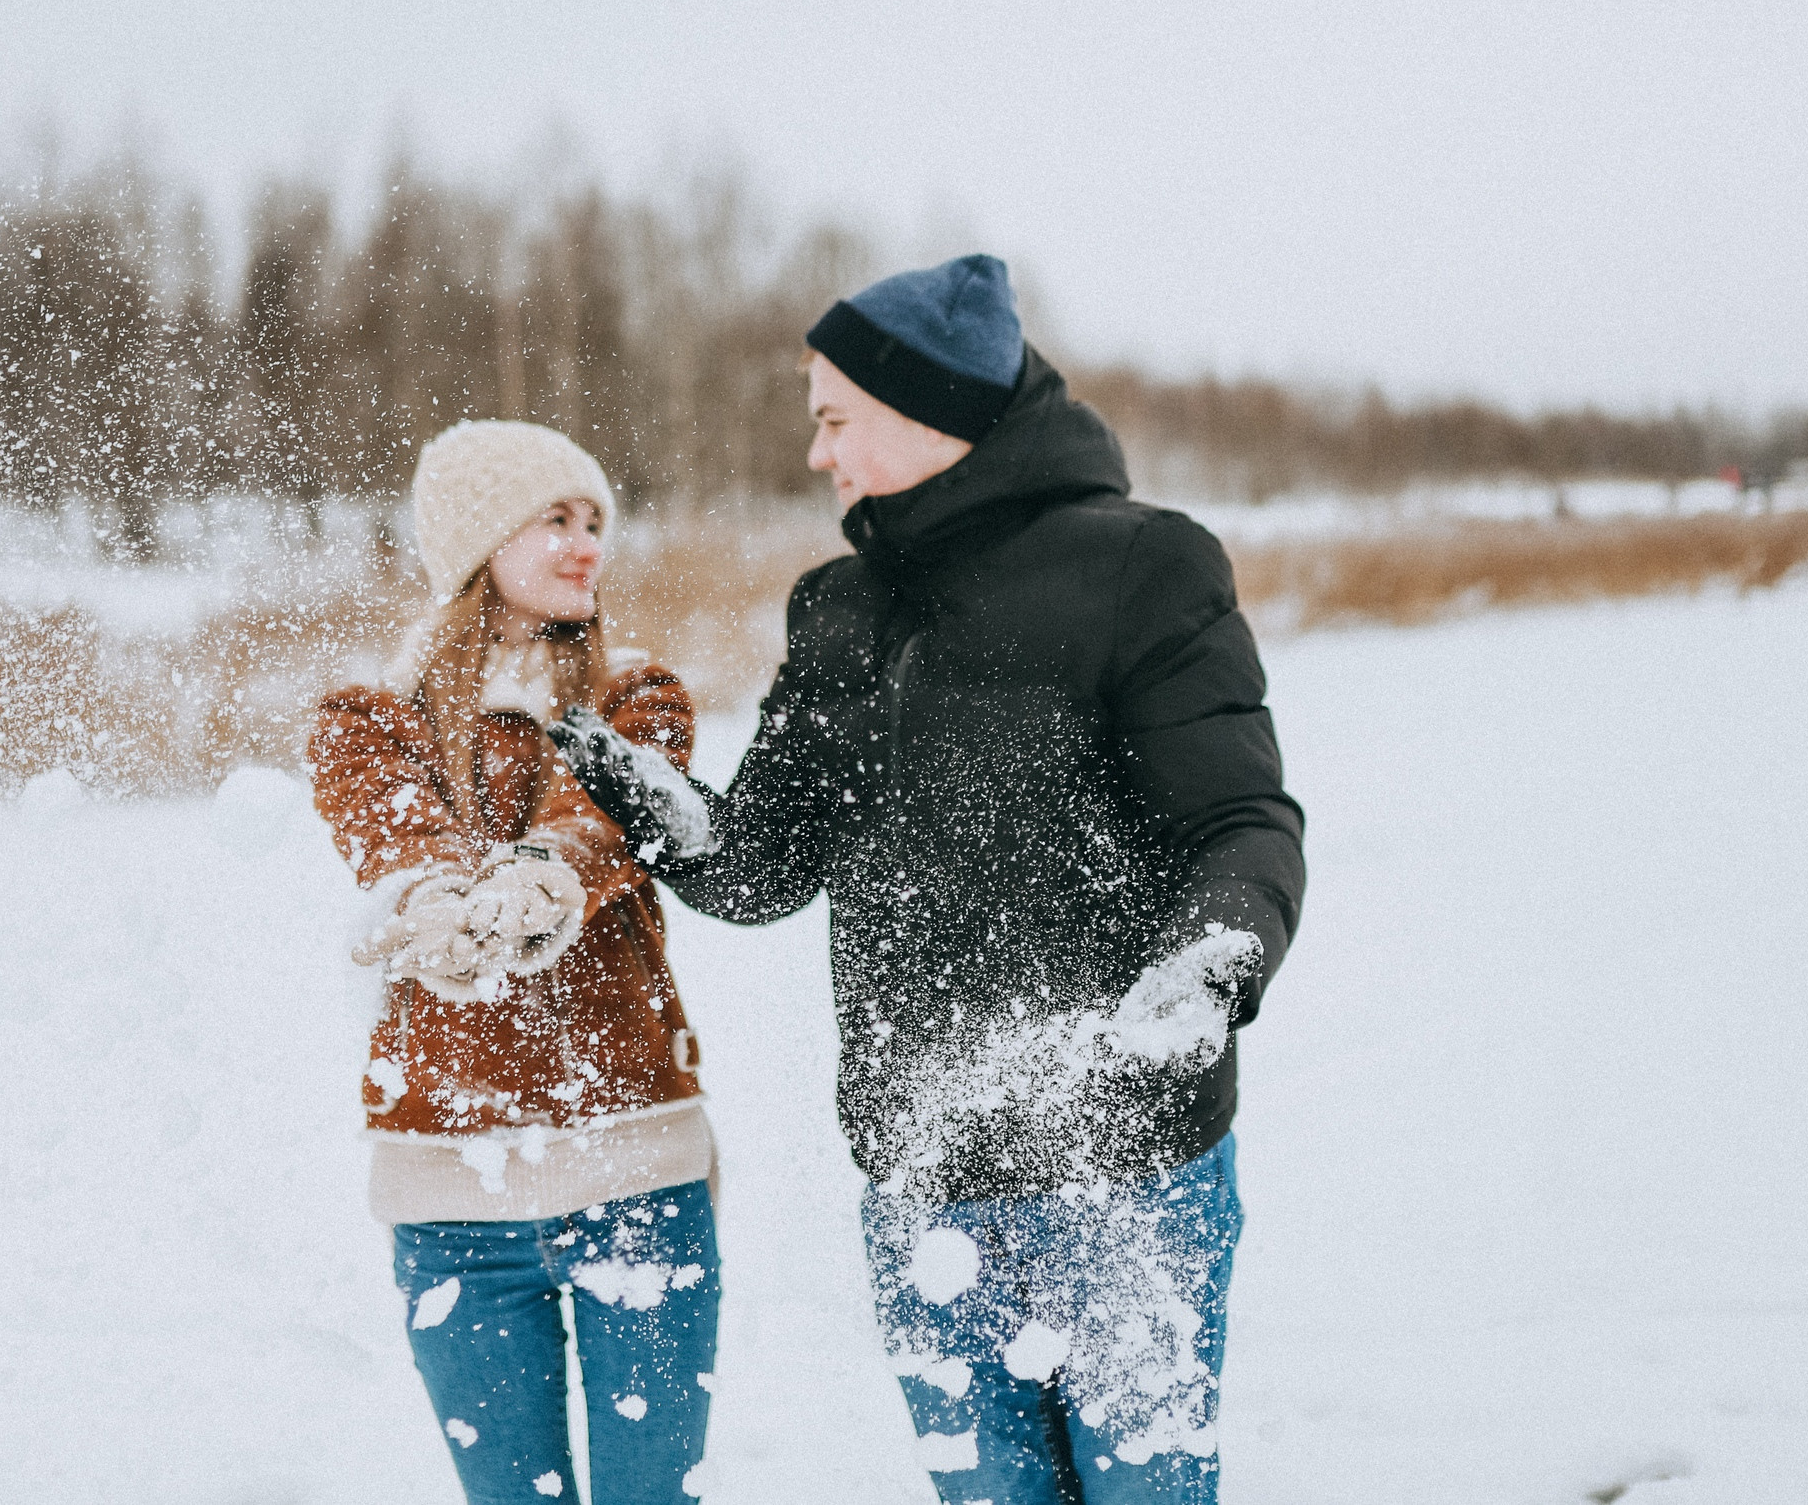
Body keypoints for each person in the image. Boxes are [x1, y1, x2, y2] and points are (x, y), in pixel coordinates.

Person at [550, 255, 1305, 1503]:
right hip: (923, 1176)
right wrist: (645, 793)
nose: (816, 455)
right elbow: (762, 865)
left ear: (935, 413)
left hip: (1123, 1167)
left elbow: (1241, 817)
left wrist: (1218, 953)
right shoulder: (839, 609)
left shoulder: (1142, 566)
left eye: (835, 419)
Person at [308, 421, 719, 1505]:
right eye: (556, 518)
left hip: (636, 1170)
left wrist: (539, 884)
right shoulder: (369, 718)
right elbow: (391, 831)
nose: (588, 544)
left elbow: (595, 823)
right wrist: (436, 903)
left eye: (596, 521)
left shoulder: (637, 700)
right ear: (479, 537)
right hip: (452, 1196)